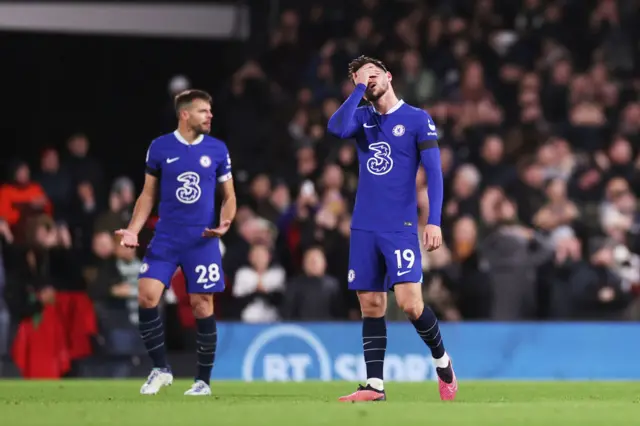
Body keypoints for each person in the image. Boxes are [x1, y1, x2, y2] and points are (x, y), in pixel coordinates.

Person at [327, 56, 457, 402]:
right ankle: (375, 386)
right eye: (360, 78)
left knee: (411, 304)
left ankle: (442, 361)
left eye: (372, 75)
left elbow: (434, 174)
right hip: (364, 226)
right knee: (370, 304)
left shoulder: (417, 119)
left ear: (388, 75)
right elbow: (336, 127)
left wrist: (433, 221)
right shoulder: (362, 118)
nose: (368, 82)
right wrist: (357, 88)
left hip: (398, 227)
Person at [115, 89, 236, 396]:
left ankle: (203, 381)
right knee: (146, 295)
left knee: (201, 304)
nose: (210, 116)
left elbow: (230, 195)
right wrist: (133, 229)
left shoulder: (218, 150)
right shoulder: (160, 147)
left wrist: (226, 221)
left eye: (210, 111)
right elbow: (147, 194)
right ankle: (160, 369)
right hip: (167, 238)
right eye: (203, 111)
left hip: (202, 240)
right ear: (185, 115)